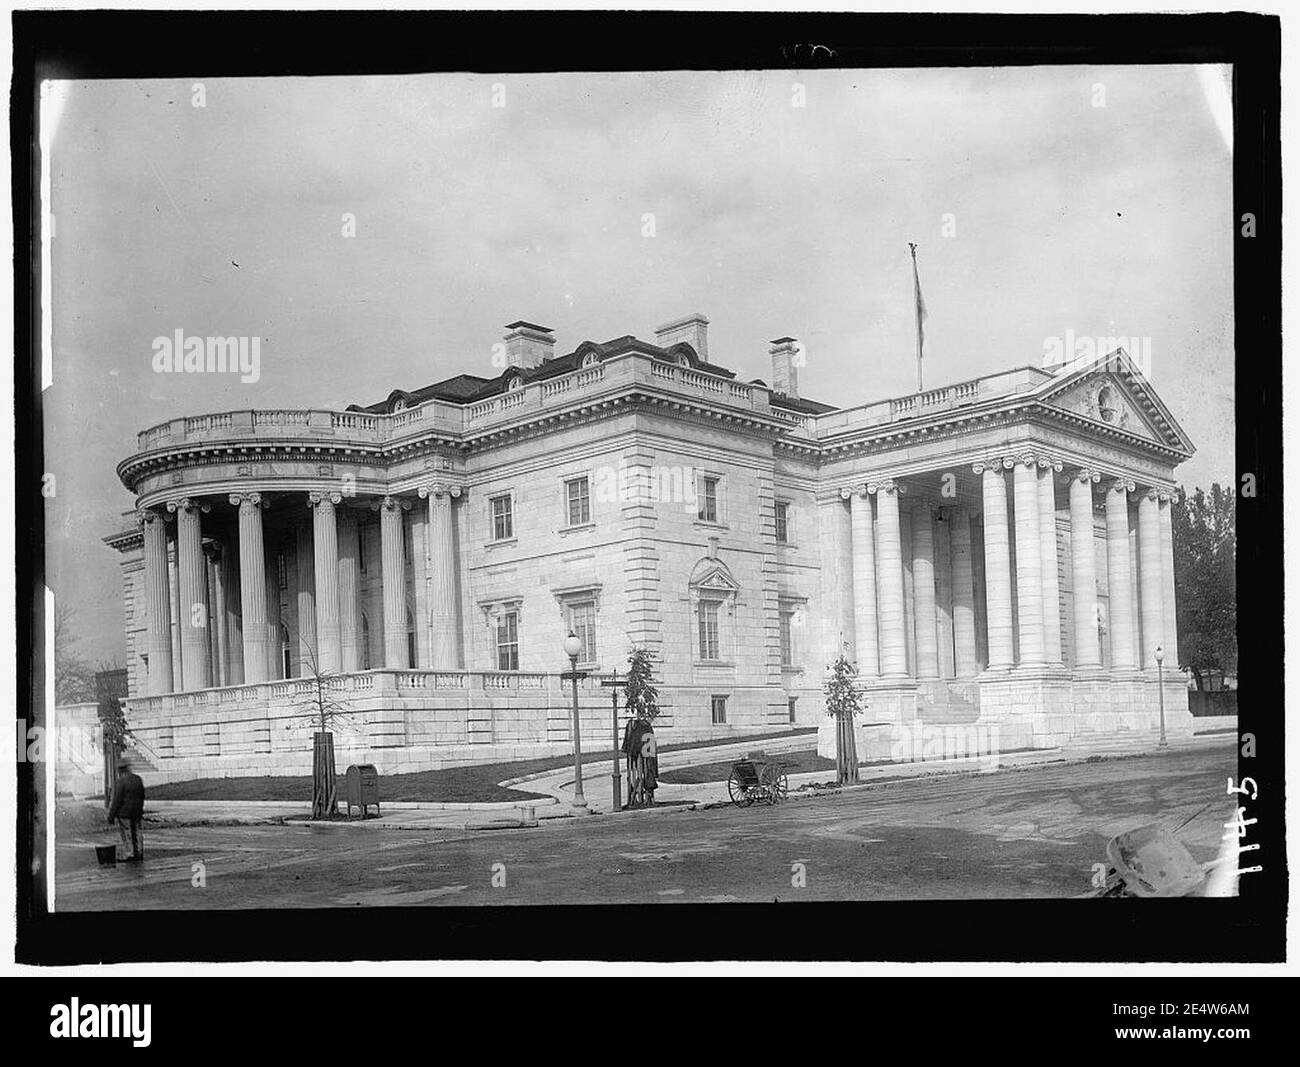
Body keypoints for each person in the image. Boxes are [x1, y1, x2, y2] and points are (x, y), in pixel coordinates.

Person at [107, 758, 146, 862]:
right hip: (137, 812)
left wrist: (111, 816)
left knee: (127, 834)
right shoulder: (138, 779)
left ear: (121, 770)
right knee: (137, 832)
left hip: (124, 813)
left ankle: (130, 854)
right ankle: (139, 852)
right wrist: (140, 809)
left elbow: (117, 800)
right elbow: (142, 795)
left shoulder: (121, 782)